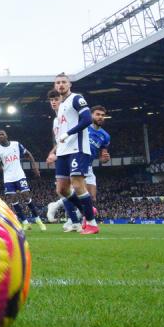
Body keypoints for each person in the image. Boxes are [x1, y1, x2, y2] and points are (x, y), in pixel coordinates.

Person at [52, 73, 99, 235]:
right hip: (63, 151)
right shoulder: (61, 106)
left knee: (77, 184)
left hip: (77, 148)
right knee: (62, 189)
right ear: (55, 86)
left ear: (69, 84)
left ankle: (92, 223)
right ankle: (88, 210)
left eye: (64, 82)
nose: (61, 85)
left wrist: (68, 134)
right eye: (58, 83)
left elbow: (87, 120)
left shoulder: (76, 98)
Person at [0, 129, 45, 231]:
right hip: (8, 178)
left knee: (26, 196)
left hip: (19, 175)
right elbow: (2, 168)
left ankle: (38, 220)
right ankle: (25, 222)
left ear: (6, 135)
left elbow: (29, 155)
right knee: (13, 200)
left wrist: (35, 168)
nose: (0, 136)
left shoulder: (16, 144)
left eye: (2, 134)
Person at [44, 89, 81, 231]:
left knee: (81, 190)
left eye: (56, 99)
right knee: (63, 189)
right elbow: (59, 141)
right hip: (63, 154)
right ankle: (74, 221)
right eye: (51, 100)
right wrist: (53, 153)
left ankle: (81, 217)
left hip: (75, 153)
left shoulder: (69, 114)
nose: (53, 102)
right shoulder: (55, 120)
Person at [85, 105, 111, 207]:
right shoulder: (83, 127)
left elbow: (102, 158)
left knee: (92, 198)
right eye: (98, 114)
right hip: (77, 163)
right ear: (91, 115)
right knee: (80, 195)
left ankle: (84, 221)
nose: (100, 117)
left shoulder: (105, 136)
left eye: (102, 115)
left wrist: (105, 159)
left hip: (89, 167)